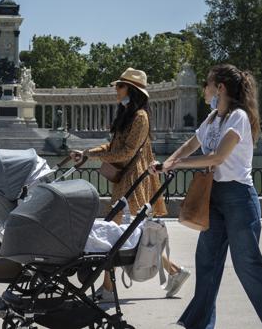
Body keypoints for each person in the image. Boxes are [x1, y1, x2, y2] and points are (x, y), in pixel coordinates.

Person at [152, 64, 262, 329]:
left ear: (219, 88)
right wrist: (169, 161)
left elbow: (218, 157)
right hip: (215, 196)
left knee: (247, 261)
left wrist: (177, 165)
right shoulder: (212, 118)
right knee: (206, 261)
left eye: (207, 84)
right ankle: (197, 324)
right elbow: (192, 144)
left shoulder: (239, 118)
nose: (203, 89)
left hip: (238, 198)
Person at [71, 67, 190, 302]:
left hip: (134, 180)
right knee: (126, 235)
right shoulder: (127, 114)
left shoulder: (140, 117)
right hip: (125, 180)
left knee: (119, 235)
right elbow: (112, 147)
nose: (116, 89)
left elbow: (126, 152)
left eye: (120, 86)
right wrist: (87, 153)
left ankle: (108, 289)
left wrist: (94, 156)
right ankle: (174, 271)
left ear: (132, 90)